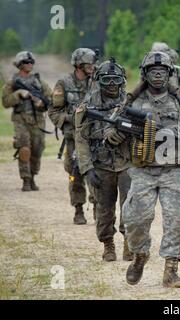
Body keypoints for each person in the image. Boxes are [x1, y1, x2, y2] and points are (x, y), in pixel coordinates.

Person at [122, 51, 180, 288]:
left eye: (163, 70)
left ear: (169, 74)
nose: (158, 74)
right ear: (145, 74)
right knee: (135, 219)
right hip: (142, 170)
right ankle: (139, 256)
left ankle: (171, 269)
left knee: (177, 219)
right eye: (153, 70)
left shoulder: (179, 102)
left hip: (172, 170)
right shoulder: (132, 103)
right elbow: (115, 133)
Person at [74, 58, 133, 262]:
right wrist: (87, 169)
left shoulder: (131, 103)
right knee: (104, 209)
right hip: (101, 165)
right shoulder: (87, 106)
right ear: (99, 81)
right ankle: (108, 244)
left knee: (131, 206)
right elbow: (80, 140)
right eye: (106, 80)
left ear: (122, 81)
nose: (111, 84)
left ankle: (129, 242)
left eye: (115, 80)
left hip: (127, 162)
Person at [48, 48, 97, 224]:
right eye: (88, 64)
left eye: (93, 63)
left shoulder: (98, 82)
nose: (92, 67)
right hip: (74, 138)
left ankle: (98, 208)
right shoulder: (64, 83)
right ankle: (78, 209)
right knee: (75, 174)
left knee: (97, 173)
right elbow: (53, 112)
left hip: (95, 136)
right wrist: (71, 118)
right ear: (79, 65)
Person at [2, 51, 52, 191]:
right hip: (20, 121)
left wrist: (42, 104)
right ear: (19, 65)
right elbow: (5, 102)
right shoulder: (12, 83)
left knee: (37, 149)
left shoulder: (39, 82)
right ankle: (26, 179)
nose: (30, 65)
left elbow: (51, 99)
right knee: (24, 149)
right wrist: (18, 94)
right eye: (26, 62)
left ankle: (33, 176)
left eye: (31, 62)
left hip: (38, 121)